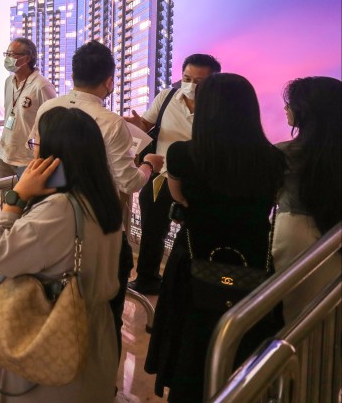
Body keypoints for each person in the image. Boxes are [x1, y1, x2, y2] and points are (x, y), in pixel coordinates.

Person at [145, 73, 285, 402]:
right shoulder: (274, 158)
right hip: (252, 257)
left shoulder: (181, 154)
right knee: (245, 336)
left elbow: (180, 198)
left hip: (196, 256)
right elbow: (272, 201)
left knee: (192, 336)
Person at [0, 106, 123, 402]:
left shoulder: (59, 210)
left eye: (37, 145)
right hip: (96, 331)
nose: (33, 155)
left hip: (53, 334)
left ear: (55, 155)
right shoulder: (103, 197)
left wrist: (17, 197)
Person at [34, 40, 159, 348]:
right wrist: (148, 167)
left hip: (52, 215)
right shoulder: (111, 123)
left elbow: (37, 159)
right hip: (100, 223)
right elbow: (128, 183)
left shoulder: (49, 109)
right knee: (104, 311)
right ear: (109, 81)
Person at [126, 53, 221, 295]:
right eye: (186, 78)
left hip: (201, 181)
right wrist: (137, 125)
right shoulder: (167, 97)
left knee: (197, 233)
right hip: (162, 176)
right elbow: (147, 125)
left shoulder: (220, 107)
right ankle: (147, 279)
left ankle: (196, 284)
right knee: (152, 230)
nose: (190, 86)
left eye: (198, 82)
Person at [272, 76, 341, 321]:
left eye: (290, 104)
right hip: (334, 237)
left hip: (295, 235)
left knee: (297, 317)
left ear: (306, 112)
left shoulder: (284, 154)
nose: (286, 109)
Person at [0, 38, 57, 178]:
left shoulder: (41, 86)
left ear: (27, 58)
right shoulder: (9, 81)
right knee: (7, 199)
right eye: (6, 54)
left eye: (12, 54)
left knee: (27, 199)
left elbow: (53, 123)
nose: (8, 58)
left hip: (28, 160)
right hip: (5, 154)